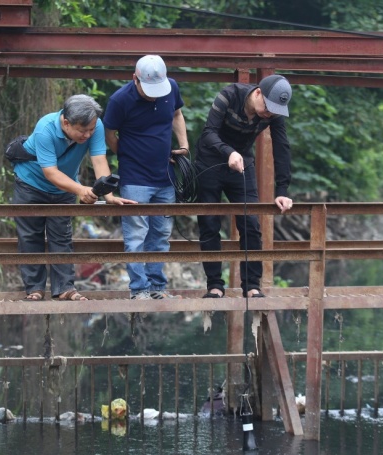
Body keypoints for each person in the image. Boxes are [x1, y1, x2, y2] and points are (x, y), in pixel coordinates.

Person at [13, 94, 135, 302]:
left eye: (91, 129)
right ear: (66, 122)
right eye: (82, 130)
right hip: (31, 184)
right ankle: (34, 289)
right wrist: (80, 190)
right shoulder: (45, 128)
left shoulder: (95, 126)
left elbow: (98, 160)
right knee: (30, 237)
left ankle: (64, 288)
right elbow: (50, 172)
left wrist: (108, 194)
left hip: (65, 187)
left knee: (61, 236)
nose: (87, 135)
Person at [195, 75, 294, 299]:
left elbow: (282, 147)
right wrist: (228, 152)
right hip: (210, 160)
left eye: (275, 110)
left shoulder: (273, 113)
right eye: (267, 107)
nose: (269, 114)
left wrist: (282, 191)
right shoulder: (229, 95)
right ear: (258, 93)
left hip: (242, 164)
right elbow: (208, 132)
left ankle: (251, 285)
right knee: (210, 223)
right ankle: (215, 285)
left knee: (250, 223)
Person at [103, 55, 190, 300]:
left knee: (161, 234)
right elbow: (110, 135)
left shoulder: (171, 87)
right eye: (149, 90)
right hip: (135, 178)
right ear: (135, 79)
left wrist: (183, 145)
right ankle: (138, 289)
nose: (154, 95)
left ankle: (157, 288)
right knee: (136, 235)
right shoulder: (120, 100)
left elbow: (176, 115)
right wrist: (130, 155)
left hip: (165, 176)